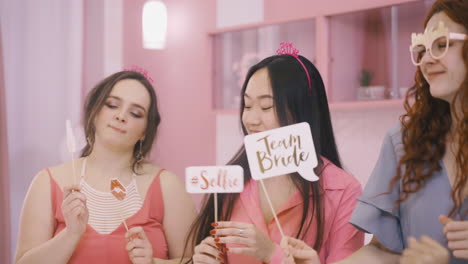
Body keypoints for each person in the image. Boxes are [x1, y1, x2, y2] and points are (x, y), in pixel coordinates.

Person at [185, 43, 364, 264]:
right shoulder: (231, 180)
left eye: (266, 107)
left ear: (301, 109)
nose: (250, 120)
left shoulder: (343, 190)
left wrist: (272, 254)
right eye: (247, 106)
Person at [15, 69, 197, 263]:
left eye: (136, 113)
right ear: (94, 112)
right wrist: (70, 234)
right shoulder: (46, 182)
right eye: (112, 105)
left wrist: (153, 262)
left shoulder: (167, 186)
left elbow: (196, 260)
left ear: (145, 131)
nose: (121, 116)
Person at [340, 0, 468, 263]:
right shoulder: (404, 142)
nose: (428, 59)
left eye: (442, 45)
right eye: (422, 49)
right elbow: (382, 250)